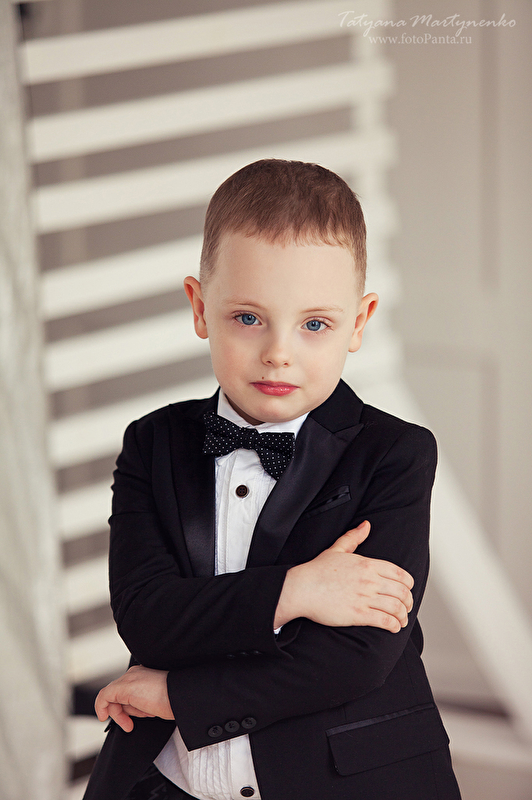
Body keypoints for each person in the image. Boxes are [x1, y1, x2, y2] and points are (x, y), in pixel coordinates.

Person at [84, 159, 461, 800]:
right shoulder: (152, 443)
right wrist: (297, 590)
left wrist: (180, 696)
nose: (278, 352)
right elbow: (147, 617)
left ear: (359, 322)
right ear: (200, 308)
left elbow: (357, 654)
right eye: (248, 318)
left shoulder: (396, 453)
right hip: (166, 782)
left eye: (314, 324)